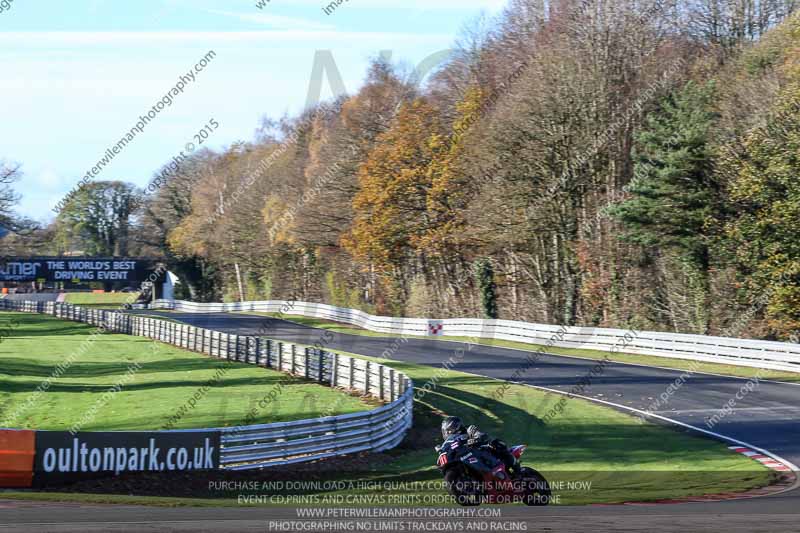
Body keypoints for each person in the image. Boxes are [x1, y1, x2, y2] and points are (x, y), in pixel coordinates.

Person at [440, 416, 520, 476]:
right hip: (464, 459)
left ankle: (517, 471)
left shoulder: (468, 430)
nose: (448, 432)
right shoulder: (447, 443)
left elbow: (481, 435)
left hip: (480, 450)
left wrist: (477, 437)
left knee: (496, 443)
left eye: (450, 429)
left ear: (457, 426)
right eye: (447, 431)